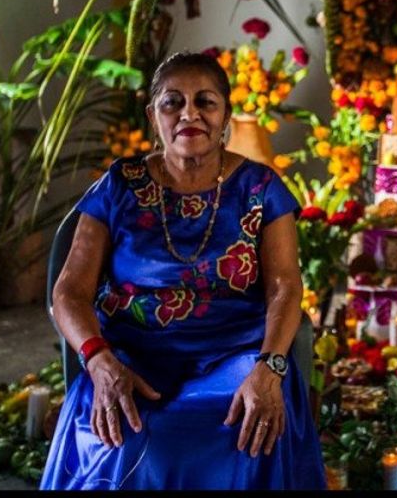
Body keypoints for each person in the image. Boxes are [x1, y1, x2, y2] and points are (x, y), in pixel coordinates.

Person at [40, 51, 325, 490]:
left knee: (245, 434)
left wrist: (270, 368)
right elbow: (69, 292)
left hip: (238, 357)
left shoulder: (262, 189)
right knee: (133, 443)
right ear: (154, 116)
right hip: (130, 358)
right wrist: (99, 362)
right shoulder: (118, 185)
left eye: (205, 102)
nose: (189, 113)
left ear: (225, 113)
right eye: (172, 102)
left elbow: (286, 287)